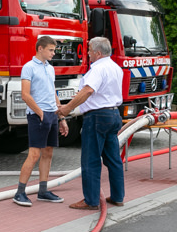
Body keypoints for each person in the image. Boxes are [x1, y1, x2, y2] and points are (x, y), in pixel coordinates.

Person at [58, 37, 124, 210]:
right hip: (113, 114)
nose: (87, 53)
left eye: (89, 50)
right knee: (114, 158)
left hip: (97, 117)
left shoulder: (97, 69)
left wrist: (68, 108)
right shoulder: (116, 68)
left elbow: (88, 90)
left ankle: (91, 200)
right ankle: (118, 196)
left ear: (98, 52)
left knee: (91, 160)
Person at [13, 36, 68, 206]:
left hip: (52, 114)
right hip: (38, 116)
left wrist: (61, 118)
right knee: (34, 154)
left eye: (54, 50)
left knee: (48, 153)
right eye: (51, 50)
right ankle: (19, 192)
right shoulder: (28, 68)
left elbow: (53, 92)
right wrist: (41, 114)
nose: (53, 53)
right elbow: (25, 94)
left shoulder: (50, 68)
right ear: (40, 49)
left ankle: (43, 191)